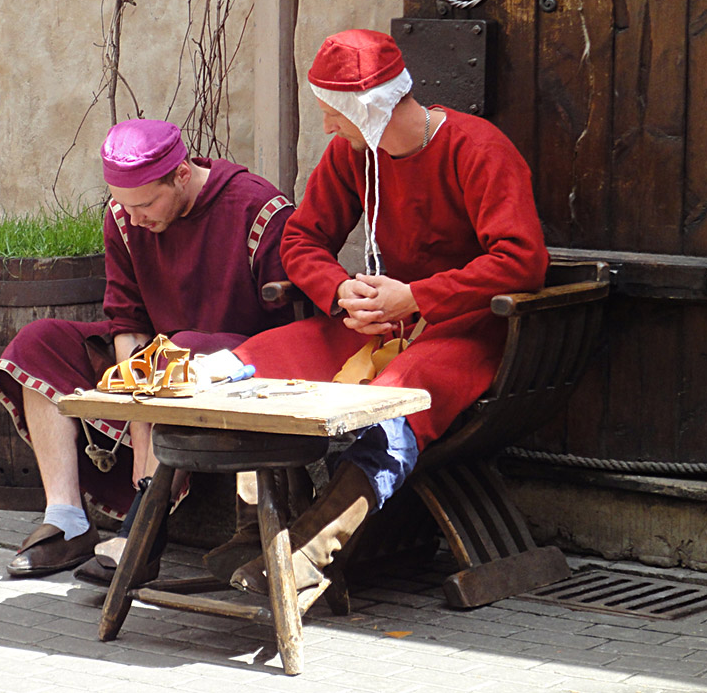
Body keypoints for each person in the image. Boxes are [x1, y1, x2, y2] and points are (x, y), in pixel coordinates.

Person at [226, 29, 549, 595]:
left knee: (399, 394)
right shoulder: (354, 153)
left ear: (370, 106)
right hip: (381, 323)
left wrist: (419, 296)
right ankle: (250, 534)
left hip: (468, 331)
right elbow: (301, 240)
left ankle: (306, 555)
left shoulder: (479, 149)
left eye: (334, 113)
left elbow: (522, 260)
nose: (327, 126)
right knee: (257, 358)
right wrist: (339, 291)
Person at [0, 118, 294, 580]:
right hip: (159, 363)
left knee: (178, 350)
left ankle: (143, 533)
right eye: (123, 204)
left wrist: (157, 393)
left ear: (183, 175)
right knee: (40, 342)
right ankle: (67, 520)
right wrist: (139, 421)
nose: (135, 217)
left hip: (241, 364)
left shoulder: (258, 208)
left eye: (147, 203)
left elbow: (286, 328)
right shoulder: (125, 218)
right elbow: (127, 321)